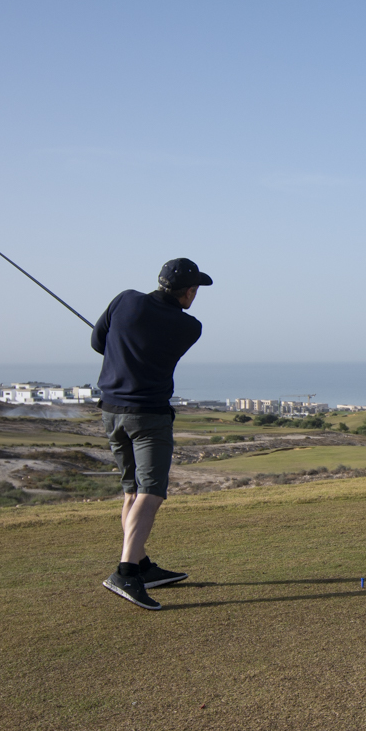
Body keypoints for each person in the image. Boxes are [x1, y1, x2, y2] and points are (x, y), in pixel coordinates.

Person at [91, 258, 212, 610]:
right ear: (188, 292)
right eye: (195, 290)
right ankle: (126, 572)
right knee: (151, 493)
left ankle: (141, 564)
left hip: (111, 413)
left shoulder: (124, 299)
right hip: (149, 418)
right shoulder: (190, 327)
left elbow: (99, 343)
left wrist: (124, 343)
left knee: (131, 491)